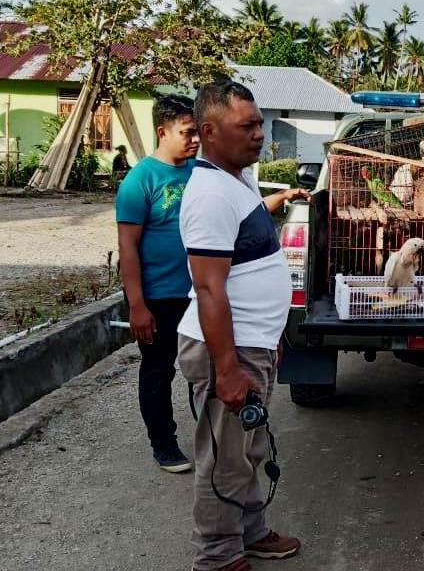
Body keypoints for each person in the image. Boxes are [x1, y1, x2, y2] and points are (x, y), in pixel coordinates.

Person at [177, 80, 310, 571]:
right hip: (224, 350)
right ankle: (216, 557)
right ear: (210, 132)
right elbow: (210, 289)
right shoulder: (210, 194)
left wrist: (270, 335)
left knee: (248, 446)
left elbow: (256, 264)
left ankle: (250, 532)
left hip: (250, 344)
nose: (260, 135)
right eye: (247, 126)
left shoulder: (238, 179)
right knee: (224, 460)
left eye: (259, 124)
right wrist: (227, 369)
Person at [115, 95, 199, 473]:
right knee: (158, 370)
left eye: (197, 131)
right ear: (162, 132)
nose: (196, 139)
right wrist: (137, 305)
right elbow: (128, 249)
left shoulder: (200, 171)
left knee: (206, 368)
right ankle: (163, 444)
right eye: (188, 132)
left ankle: (215, 440)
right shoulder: (140, 181)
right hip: (159, 297)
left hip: (200, 293)